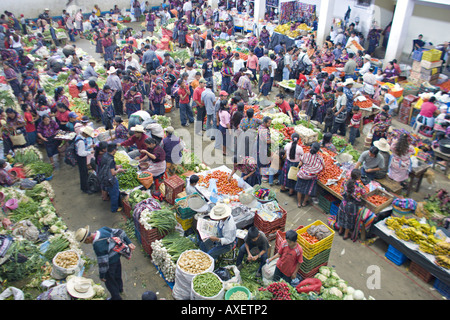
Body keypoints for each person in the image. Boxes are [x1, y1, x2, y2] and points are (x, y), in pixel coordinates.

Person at [75, 224, 135, 300]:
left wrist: (102, 275)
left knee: (110, 283)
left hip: (110, 264)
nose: (86, 244)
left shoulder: (97, 245)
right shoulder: (103, 230)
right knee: (117, 275)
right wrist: (129, 242)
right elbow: (120, 232)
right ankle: (120, 289)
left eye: (85, 242)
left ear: (87, 239)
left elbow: (103, 263)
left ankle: (116, 297)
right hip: (117, 258)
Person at [336, 169, 367, 240]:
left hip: (344, 203)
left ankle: (340, 231)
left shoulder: (345, 181)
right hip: (353, 206)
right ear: (359, 177)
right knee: (349, 220)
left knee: (342, 216)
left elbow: (341, 190)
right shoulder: (360, 186)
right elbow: (365, 195)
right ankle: (345, 235)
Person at [295, 142, 324, 208]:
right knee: (308, 190)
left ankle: (299, 203)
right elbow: (323, 166)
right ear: (318, 150)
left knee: (299, 189)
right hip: (311, 177)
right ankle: (304, 203)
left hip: (302, 175)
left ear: (311, 147)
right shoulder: (319, 158)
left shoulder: (305, 155)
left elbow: (300, 163)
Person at [76, 126, 95, 194]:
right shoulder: (81, 141)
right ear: (85, 134)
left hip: (81, 157)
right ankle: (85, 188)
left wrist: (90, 147)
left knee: (84, 172)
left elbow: (83, 148)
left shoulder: (80, 136)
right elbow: (81, 153)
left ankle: (86, 185)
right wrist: (90, 152)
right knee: (83, 173)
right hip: (81, 158)